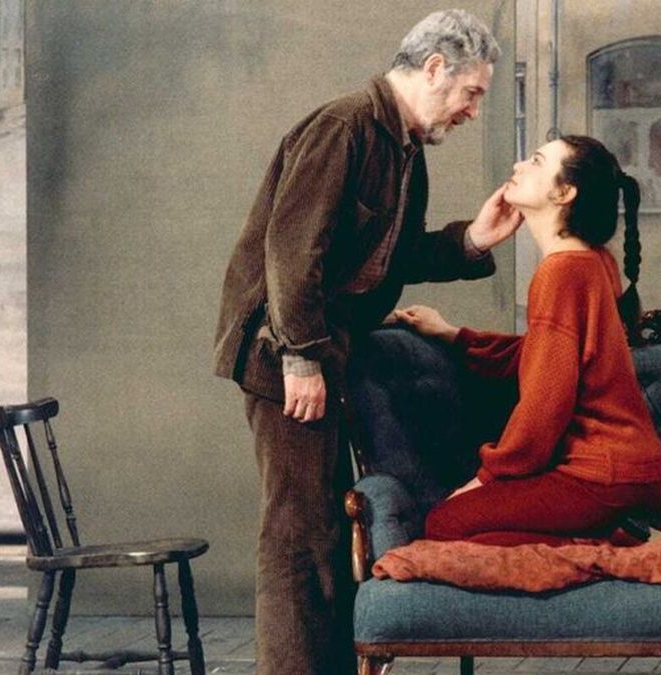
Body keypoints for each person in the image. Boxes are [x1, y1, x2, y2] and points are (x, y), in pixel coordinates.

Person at [211, 10, 521, 674]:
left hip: (319, 353)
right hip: (283, 355)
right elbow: (292, 253)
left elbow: (393, 256)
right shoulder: (344, 127)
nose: (473, 111)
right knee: (299, 532)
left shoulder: (403, 147)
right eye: (472, 93)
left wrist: (473, 240)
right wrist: (301, 358)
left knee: (326, 526)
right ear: (434, 68)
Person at [393, 135, 661, 547]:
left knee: (445, 526)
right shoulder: (592, 259)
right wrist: (455, 336)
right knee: (458, 524)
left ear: (563, 192)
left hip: (604, 475)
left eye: (537, 161)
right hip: (630, 471)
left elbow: (546, 400)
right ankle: (614, 537)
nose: (519, 165)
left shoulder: (561, 272)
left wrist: (489, 476)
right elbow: (543, 352)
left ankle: (618, 547)